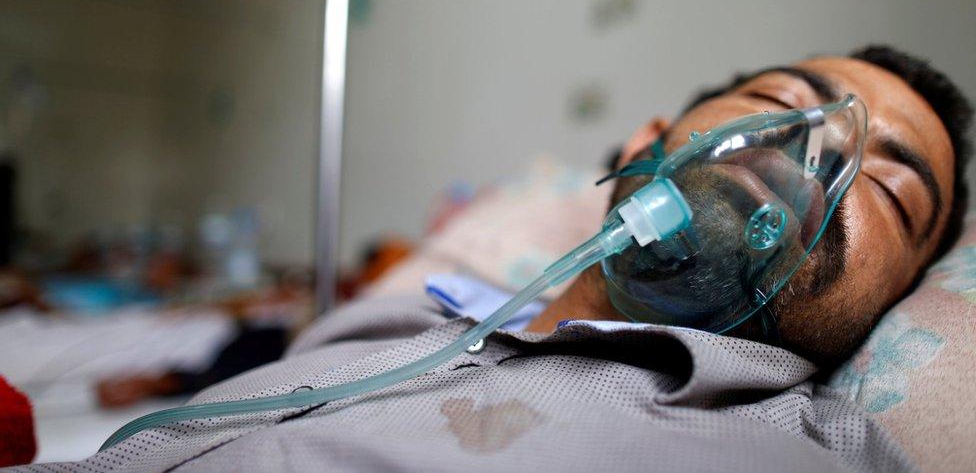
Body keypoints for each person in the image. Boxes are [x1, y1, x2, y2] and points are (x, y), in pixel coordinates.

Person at [24, 46, 971, 472]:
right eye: (777, 99)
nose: (825, 148)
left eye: (894, 190)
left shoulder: (800, 455)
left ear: (898, 294)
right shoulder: (416, 320)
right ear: (647, 139)